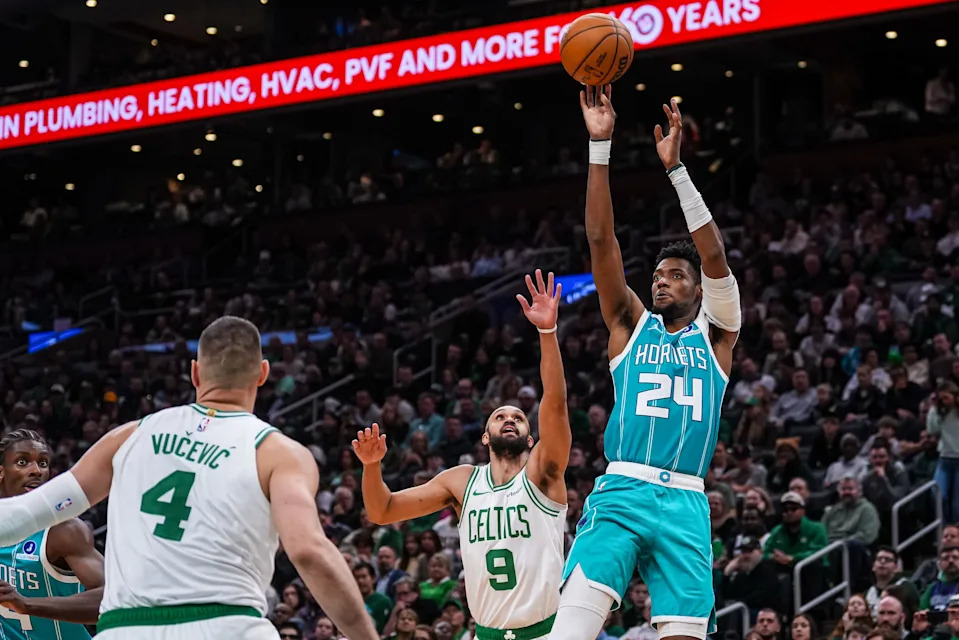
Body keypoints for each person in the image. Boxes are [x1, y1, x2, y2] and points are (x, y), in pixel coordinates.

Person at [0, 316, 377, 640]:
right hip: (227, 625)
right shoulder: (278, 452)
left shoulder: (129, 437)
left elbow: (24, 515)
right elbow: (309, 551)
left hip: (125, 629)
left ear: (195, 371)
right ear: (263, 374)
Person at [551, 89, 741, 640]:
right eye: (658, 273)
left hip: (686, 500)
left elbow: (715, 257)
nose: (662, 278)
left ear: (699, 290)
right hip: (623, 492)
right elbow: (600, 239)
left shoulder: (721, 334)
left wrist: (677, 170)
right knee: (569, 632)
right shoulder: (629, 326)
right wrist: (600, 145)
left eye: (676, 275)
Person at [354, 270, 571, 640]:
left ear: (531, 438)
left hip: (547, 633)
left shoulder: (542, 474)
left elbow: (555, 403)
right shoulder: (462, 481)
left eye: (518, 417)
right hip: (483, 633)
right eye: (499, 416)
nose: (509, 419)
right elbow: (382, 511)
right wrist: (372, 467)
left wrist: (547, 334)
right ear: (484, 437)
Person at [0, 430, 105, 639]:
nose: (36, 470)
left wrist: (27, 604)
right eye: (22, 462)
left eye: (43, 463)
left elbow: (112, 599)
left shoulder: (64, 530)